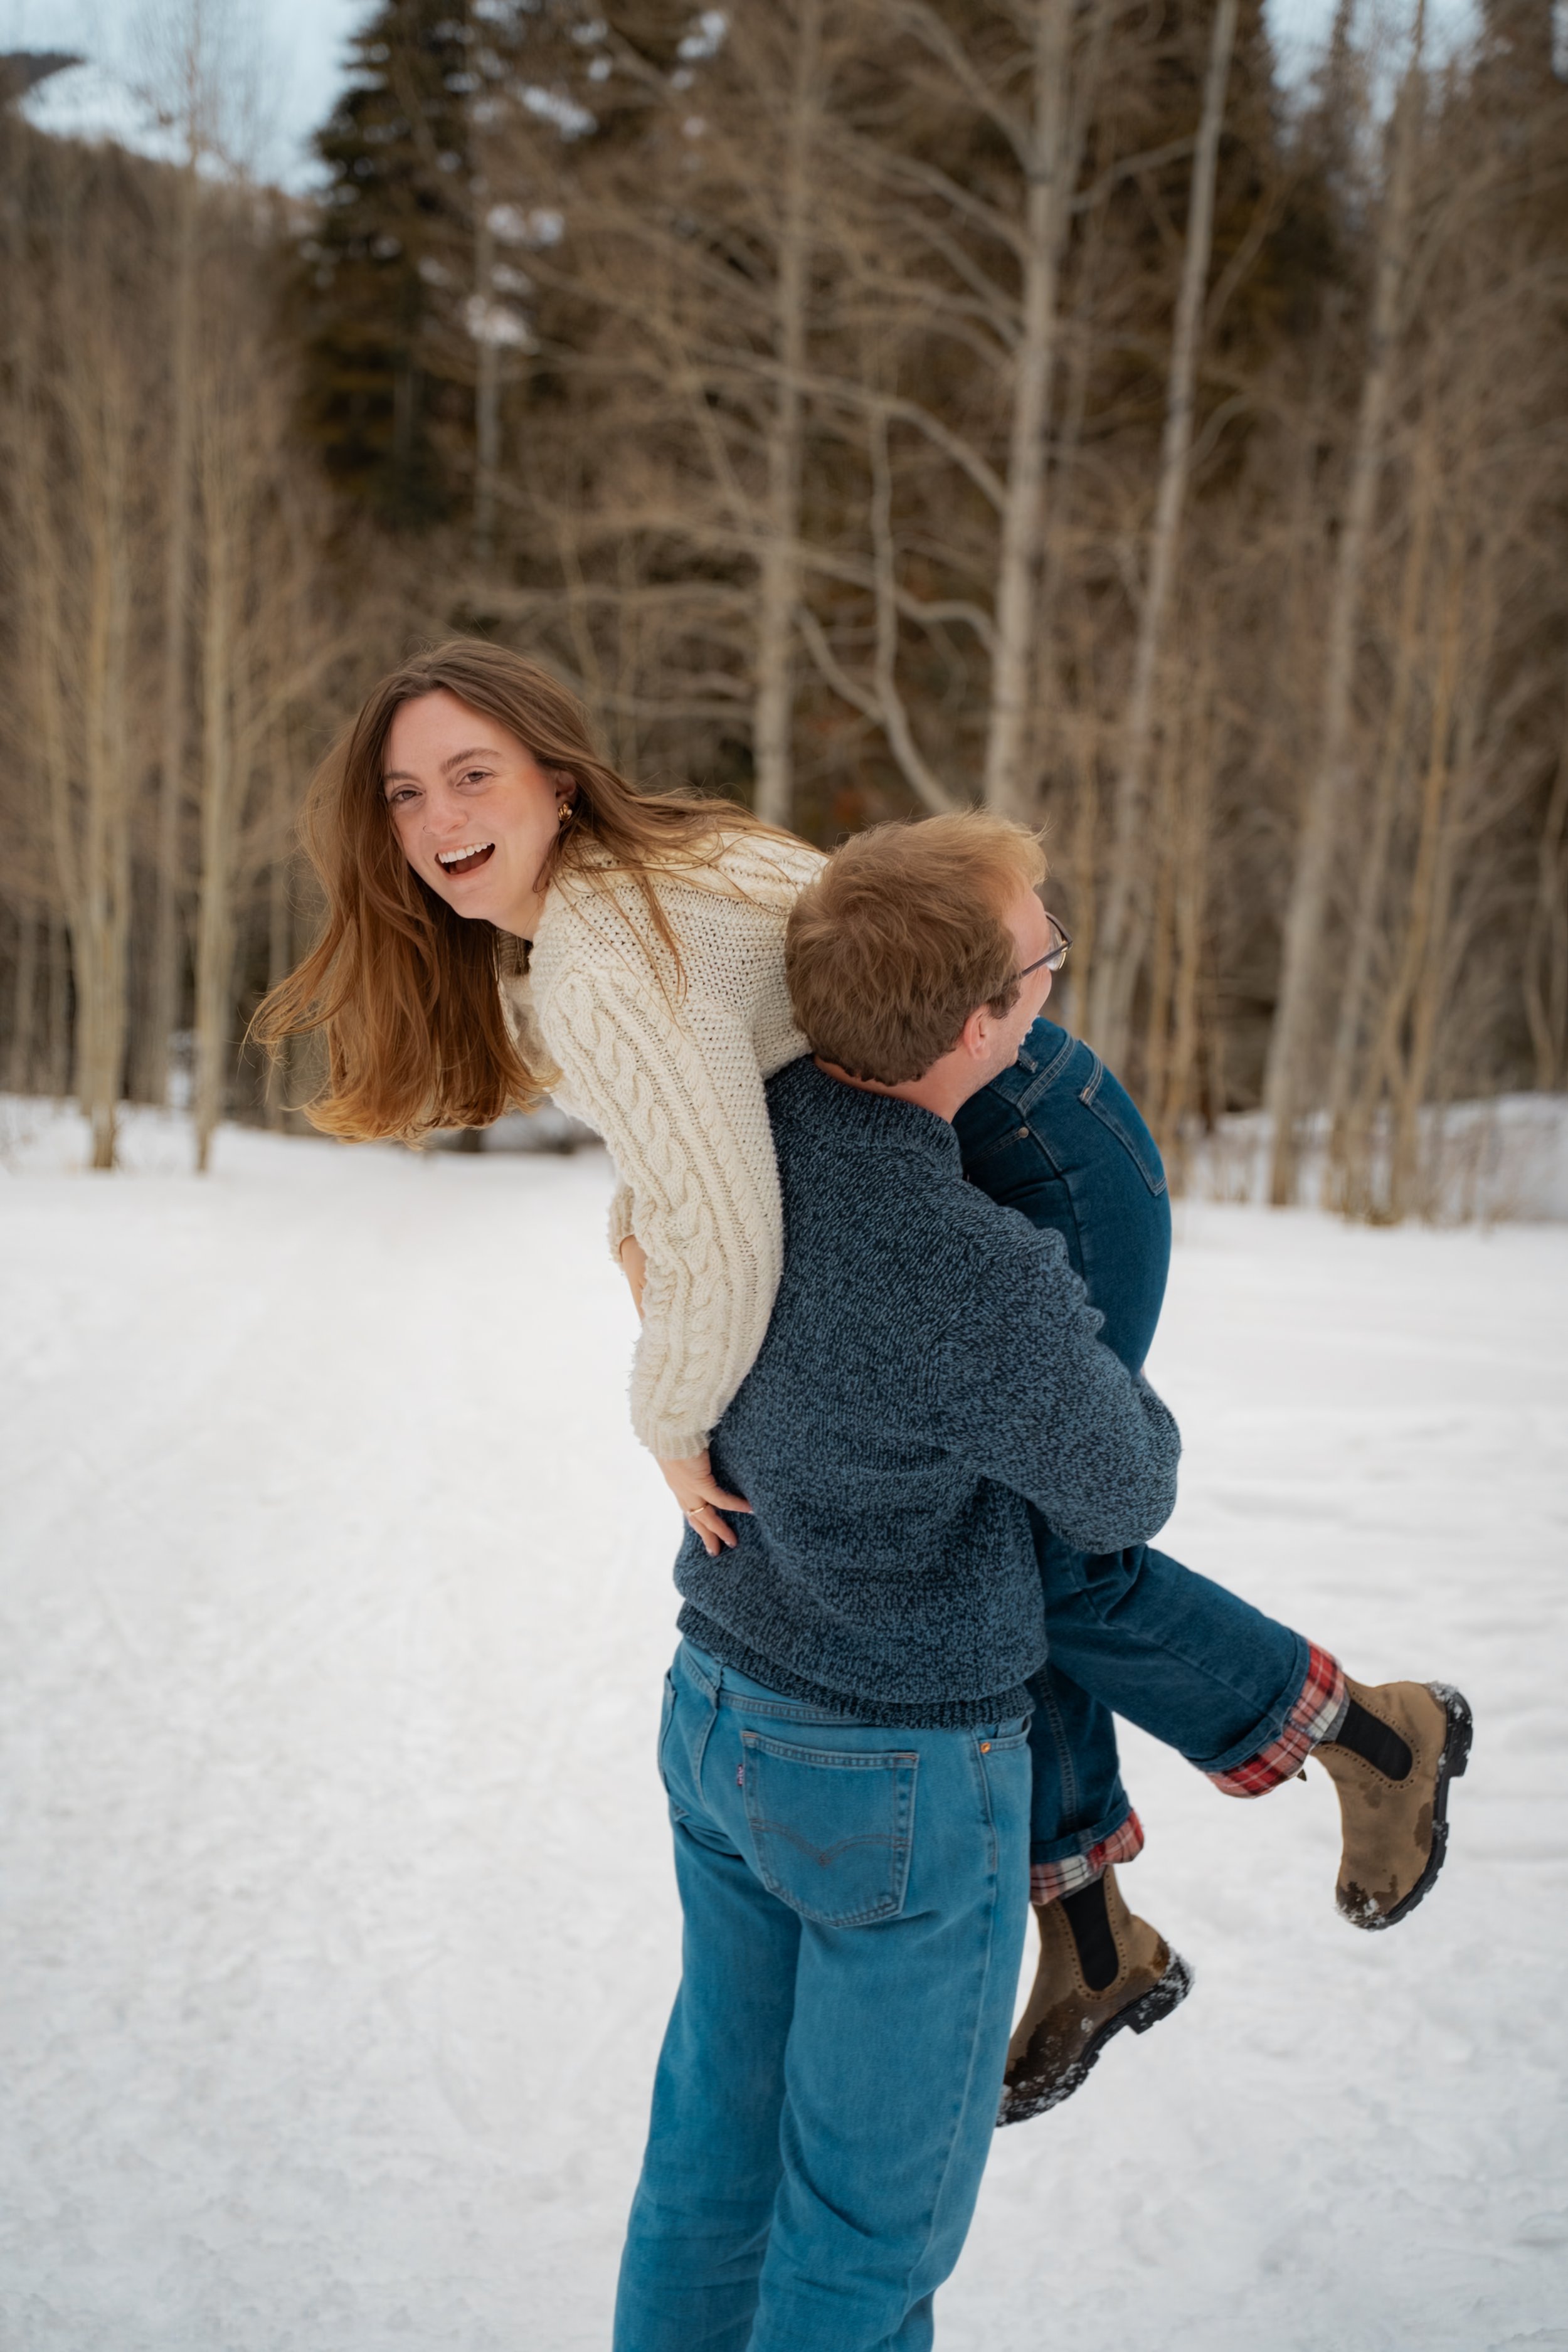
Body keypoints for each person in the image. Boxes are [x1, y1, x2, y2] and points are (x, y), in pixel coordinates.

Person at [257, 640, 1471, 2131]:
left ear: (552, 782)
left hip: (1021, 1149)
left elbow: (728, 1214)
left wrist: (666, 1419)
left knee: (1056, 1556)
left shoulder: (594, 945)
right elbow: (689, 1146)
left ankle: (1373, 1738)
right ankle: (1095, 1936)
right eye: (404, 791)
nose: (439, 815)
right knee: (991, 1555)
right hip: (981, 1137)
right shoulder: (630, 888)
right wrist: (642, 1225)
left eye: (472, 774)